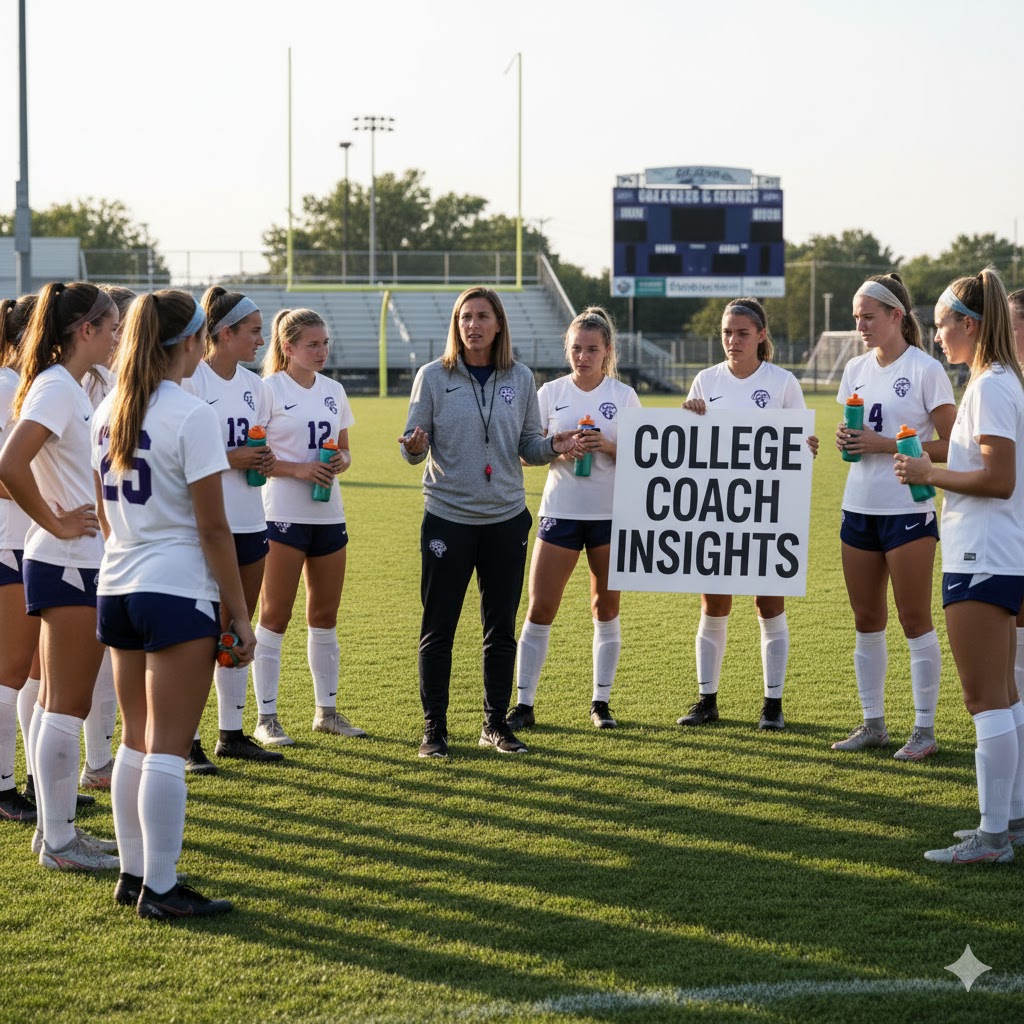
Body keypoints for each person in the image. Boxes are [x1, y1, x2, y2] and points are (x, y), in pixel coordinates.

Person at [93, 288, 254, 915]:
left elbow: (108, 516)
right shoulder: (190, 414)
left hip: (119, 583)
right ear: (188, 341)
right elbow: (215, 530)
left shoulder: (107, 407)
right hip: (172, 585)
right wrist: (239, 613)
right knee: (165, 746)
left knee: (135, 739)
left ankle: (134, 877)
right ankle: (159, 887)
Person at [399, 286, 582, 758]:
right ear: (456, 325)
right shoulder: (433, 377)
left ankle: (494, 724)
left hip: (505, 520)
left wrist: (555, 445)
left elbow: (528, 447)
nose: (473, 325)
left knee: (500, 628)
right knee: (439, 627)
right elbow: (410, 446)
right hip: (448, 519)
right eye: (465, 317)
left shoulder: (520, 378)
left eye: (482, 316)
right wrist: (415, 446)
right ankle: (434, 730)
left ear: (499, 323)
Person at [895, 269, 1024, 864]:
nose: (937, 335)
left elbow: (999, 479)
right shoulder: (995, 380)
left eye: (944, 324)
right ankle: (1012, 821)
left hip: (983, 557)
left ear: (969, 325)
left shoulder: (993, 384)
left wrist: (929, 473)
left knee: (985, 700)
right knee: (1006, 694)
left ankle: (992, 836)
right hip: (996, 554)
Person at [0, 282, 120, 870]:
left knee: (57, 703)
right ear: (84, 330)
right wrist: (53, 518)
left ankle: (56, 833)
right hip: (65, 561)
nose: (119, 336)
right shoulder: (53, 387)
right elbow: (8, 462)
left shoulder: (72, 387)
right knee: (65, 705)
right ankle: (59, 842)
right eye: (112, 326)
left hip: (77, 559)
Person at [674, 297, 819, 732]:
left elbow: (801, 450)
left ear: (760, 336)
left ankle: (772, 706)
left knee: (767, 603)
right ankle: (706, 699)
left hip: (767, 510)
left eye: (741, 332)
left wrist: (804, 447)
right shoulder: (704, 380)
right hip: (715, 510)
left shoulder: (781, 382)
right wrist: (687, 419)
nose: (732, 340)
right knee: (714, 603)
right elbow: (684, 449)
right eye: (726, 332)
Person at [831, 273, 956, 761]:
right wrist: (847, 439)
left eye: (868, 316)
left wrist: (886, 446)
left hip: (907, 509)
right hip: (856, 507)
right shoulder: (856, 368)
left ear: (896, 316)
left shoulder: (926, 369)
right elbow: (852, 428)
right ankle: (873, 724)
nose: (860, 324)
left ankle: (924, 730)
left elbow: (952, 447)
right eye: (856, 317)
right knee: (866, 619)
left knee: (914, 619)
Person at [505, 307, 639, 732]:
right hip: (559, 513)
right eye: (577, 348)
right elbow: (525, 453)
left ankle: (601, 703)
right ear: (568, 350)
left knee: (606, 607)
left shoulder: (624, 397)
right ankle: (524, 704)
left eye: (592, 349)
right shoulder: (549, 393)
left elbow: (648, 458)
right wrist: (559, 450)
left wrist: (609, 446)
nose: (583, 356)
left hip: (610, 516)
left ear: (607, 352)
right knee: (541, 607)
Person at [252, 308, 363, 746]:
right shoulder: (267, 390)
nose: (321, 351)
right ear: (288, 347)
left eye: (325, 343)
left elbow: (347, 451)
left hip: (328, 514)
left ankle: (327, 711)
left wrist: (340, 462)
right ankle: (267, 718)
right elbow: (255, 457)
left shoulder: (334, 390)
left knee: (325, 616)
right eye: (312, 344)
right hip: (281, 515)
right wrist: (299, 470)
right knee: (275, 616)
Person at [181, 287, 281, 769]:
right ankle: (188, 739)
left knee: (239, 629)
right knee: (203, 632)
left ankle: (232, 732)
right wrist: (233, 456)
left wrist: (263, 459)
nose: (262, 339)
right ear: (224, 334)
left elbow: (257, 449)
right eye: (254, 331)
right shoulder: (191, 380)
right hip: (204, 523)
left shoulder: (255, 386)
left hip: (250, 517)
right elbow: (177, 457)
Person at [79, 285, 136, 791]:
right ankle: (96, 761)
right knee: (92, 659)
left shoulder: (118, 381)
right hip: (93, 535)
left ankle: (101, 757)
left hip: (112, 534)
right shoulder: (93, 385)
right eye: (120, 326)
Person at [0, 295, 41, 822]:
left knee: (31, 671)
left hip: (25, 542)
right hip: (9, 541)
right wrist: (53, 506)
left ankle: (35, 782)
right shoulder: (8, 387)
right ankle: (4, 788)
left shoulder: (20, 386)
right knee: (11, 671)